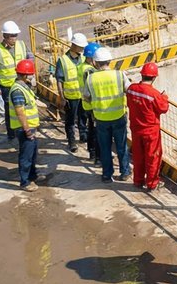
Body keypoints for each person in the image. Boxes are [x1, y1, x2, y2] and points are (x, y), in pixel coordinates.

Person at [83, 46, 129, 183]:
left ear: (95, 63)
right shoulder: (119, 75)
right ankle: (125, 173)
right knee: (121, 146)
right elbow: (129, 89)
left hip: (101, 118)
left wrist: (94, 105)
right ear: (109, 61)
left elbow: (86, 97)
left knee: (105, 148)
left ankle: (107, 175)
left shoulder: (91, 79)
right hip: (119, 116)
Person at [126, 62, 169, 191]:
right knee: (152, 156)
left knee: (138, 155)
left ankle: (138, 181)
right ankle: (152, 183)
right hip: (150, 131)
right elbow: (163, 108)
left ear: (142, 75)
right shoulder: (154, 94)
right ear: (154, 77)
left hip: (135, 127)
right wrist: (164, 97)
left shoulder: (131, 89)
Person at [0, 20, 32, 138]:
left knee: (24, 108)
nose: (14, 38)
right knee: (9, 112)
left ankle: (25, 130)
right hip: (7, 86)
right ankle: (11, 134)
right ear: (5, 36)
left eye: (15, 35)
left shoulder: (22, 45)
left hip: (22, 84)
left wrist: (30, 73)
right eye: (12, 36)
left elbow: (30, 56)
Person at [9, 58, 44, 191]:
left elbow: (31, 102)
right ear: (25, 75)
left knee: (33, 153)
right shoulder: (17, 91)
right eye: (30, 75)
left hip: (31, 127)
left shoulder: (24, 87)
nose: (32, 77)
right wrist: (27, 130)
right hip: (24, 128)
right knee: (26, 156)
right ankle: (25, 182)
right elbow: (20, 112)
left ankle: (33, 175)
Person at [55, 33, 90, 153]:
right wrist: (61, 96)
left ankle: (83, 134)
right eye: (80, 46)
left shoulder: (84, 58)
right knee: (70, 119)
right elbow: (59, 79)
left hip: (83, 95)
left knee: (83, 116)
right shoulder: (63, 61)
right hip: (70, 97)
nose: (82, 49)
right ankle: (71, 141)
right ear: (73, 45)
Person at [81, 42, 101, 162]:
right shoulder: (89, 71)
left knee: (91, 129)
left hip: (87, 103)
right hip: (92, 105)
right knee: (95, 131)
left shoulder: (83, 67)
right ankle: (96, 155)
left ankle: (92, 153)